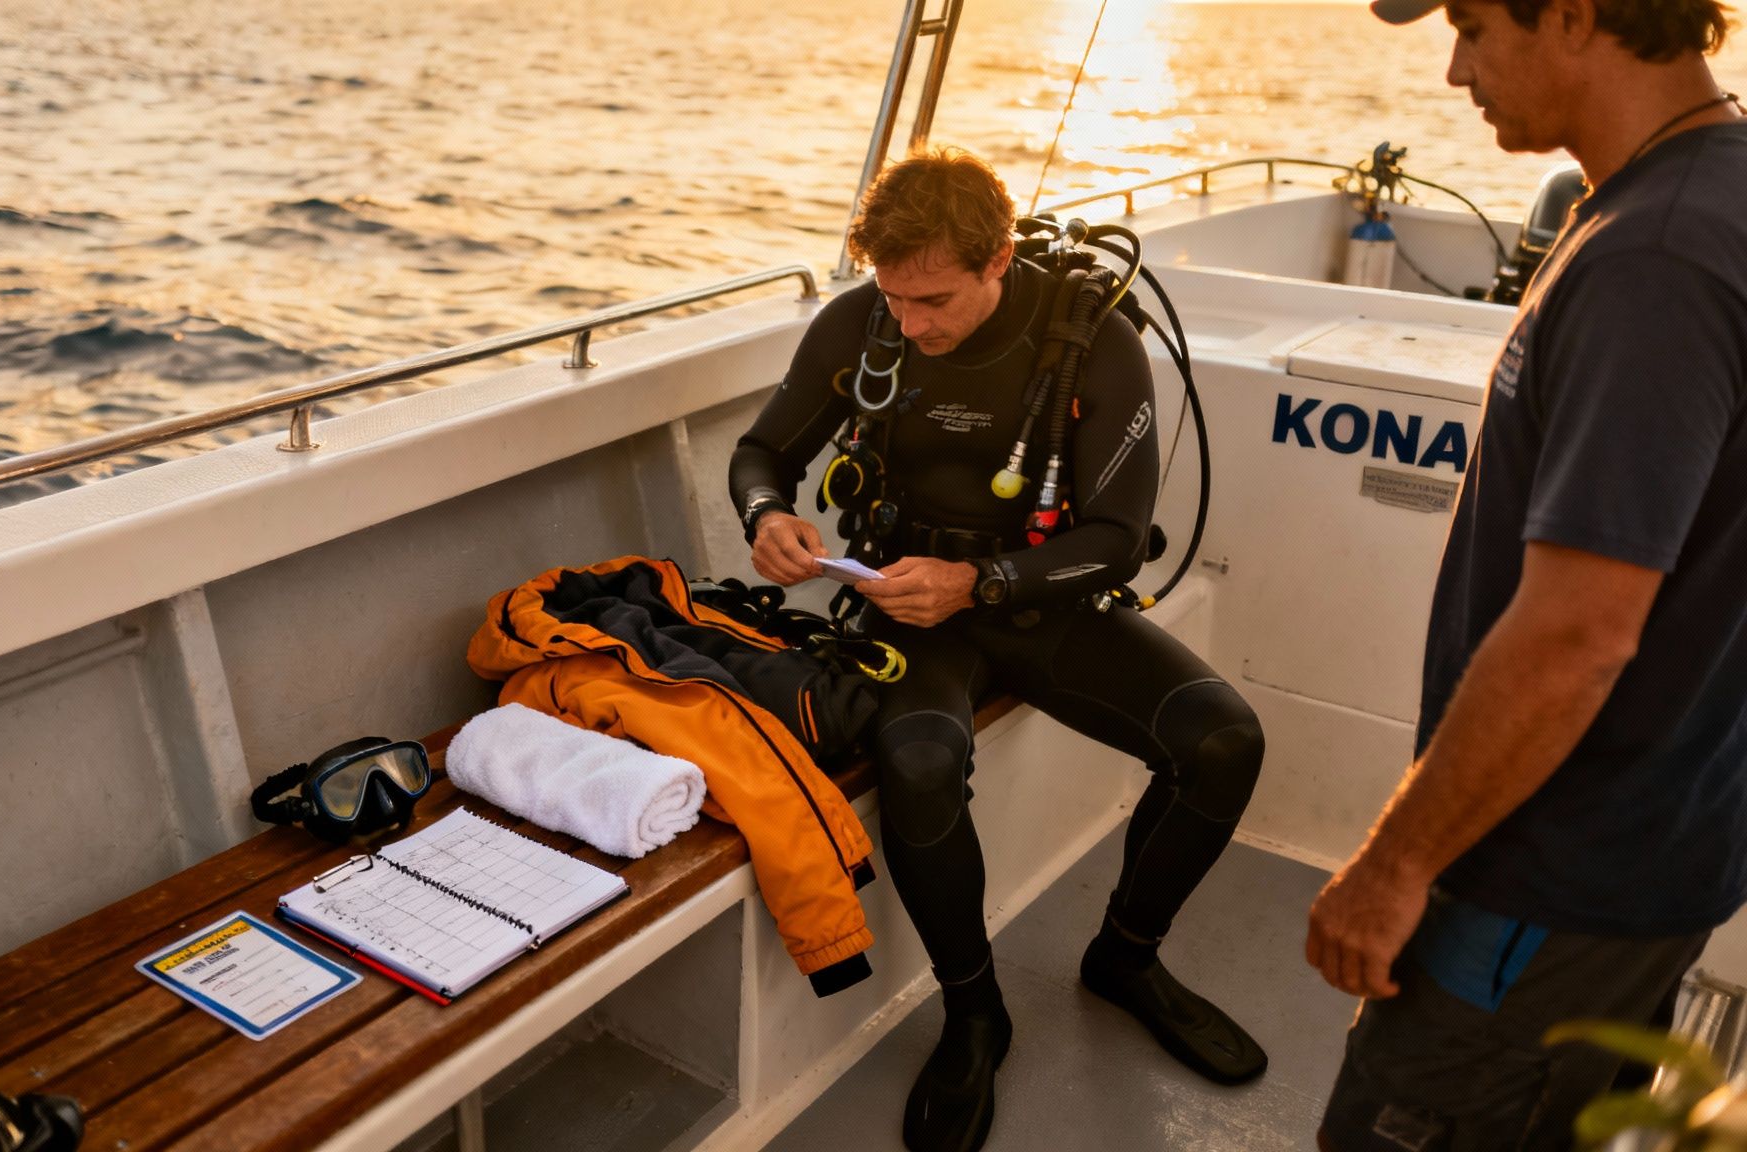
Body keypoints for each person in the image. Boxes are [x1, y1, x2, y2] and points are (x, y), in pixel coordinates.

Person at [729, 148, 1268, 1152]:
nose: (909, 324)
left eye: (931, 299)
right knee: (919, 763)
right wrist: (766, 516)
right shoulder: (862, 325)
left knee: (1222, 740)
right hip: (898, 606)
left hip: (1039, 602)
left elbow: (1114, 533)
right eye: (891, 296)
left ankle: (1125, 957)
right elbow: (763, 454)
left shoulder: (1091, 343)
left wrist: (979, 584)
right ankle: (974, 1012)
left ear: (996, 262)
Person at [1309, 1, 1747, 1147]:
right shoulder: (1710, 191)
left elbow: (1575, 636)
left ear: (1568, 12)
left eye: (1468, 23)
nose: (1453, 69)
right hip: (1649, 853)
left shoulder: (1653, 260)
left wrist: (1391, 867)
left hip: (1545, 883)